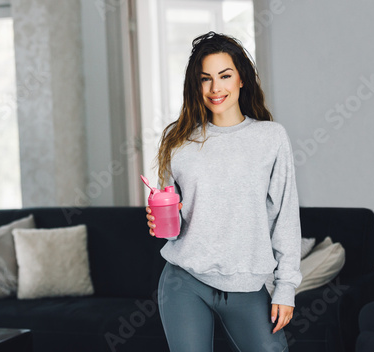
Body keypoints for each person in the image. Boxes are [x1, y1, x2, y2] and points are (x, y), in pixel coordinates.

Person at [145, 31, 302, 352]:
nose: (216, 88)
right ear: (196, 85)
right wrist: (160, 220)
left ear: (241, 78)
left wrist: (286, 288)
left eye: (225, 76)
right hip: (184, 280)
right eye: (206, 79)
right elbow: (170, 220)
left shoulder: (270, 137)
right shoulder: (178, 140)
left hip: (247, 283)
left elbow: (284, 216)